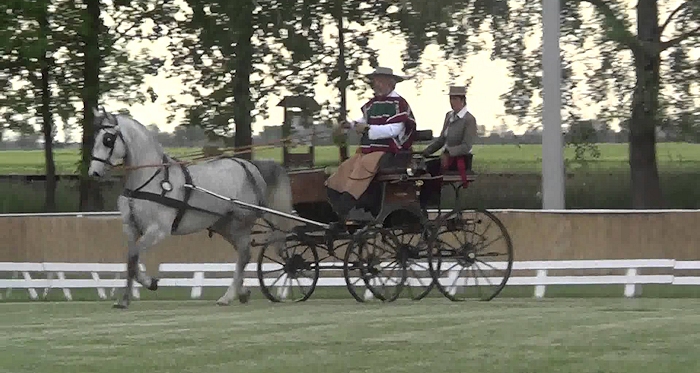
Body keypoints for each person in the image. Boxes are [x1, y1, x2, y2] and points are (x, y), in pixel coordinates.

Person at [325, 66, 417, 220]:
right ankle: (336, 200)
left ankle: (348, 204)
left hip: (390, 151)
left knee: (364, 166)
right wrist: (351, 125)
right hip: (369, 149)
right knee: (346, 167)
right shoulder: (373, 104)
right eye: (375, 81)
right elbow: (363, 121)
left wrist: (368, 128)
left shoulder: (399, 104)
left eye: (379, 81)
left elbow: (394, 129)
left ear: (390, 83)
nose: (376, 84)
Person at [420, 85, 478, 206]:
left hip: (460, 160)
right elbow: (441, 140)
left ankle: (429, 204)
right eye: (451, 99)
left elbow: (466, 146)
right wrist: (425, 152)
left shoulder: (469, 120)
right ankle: (422, 204)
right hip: (446, 159)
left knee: (431, 168)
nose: (452, 102)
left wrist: (448, 152)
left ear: (462, 100)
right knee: (421, 167)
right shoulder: (449, 116)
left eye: (455, 99)